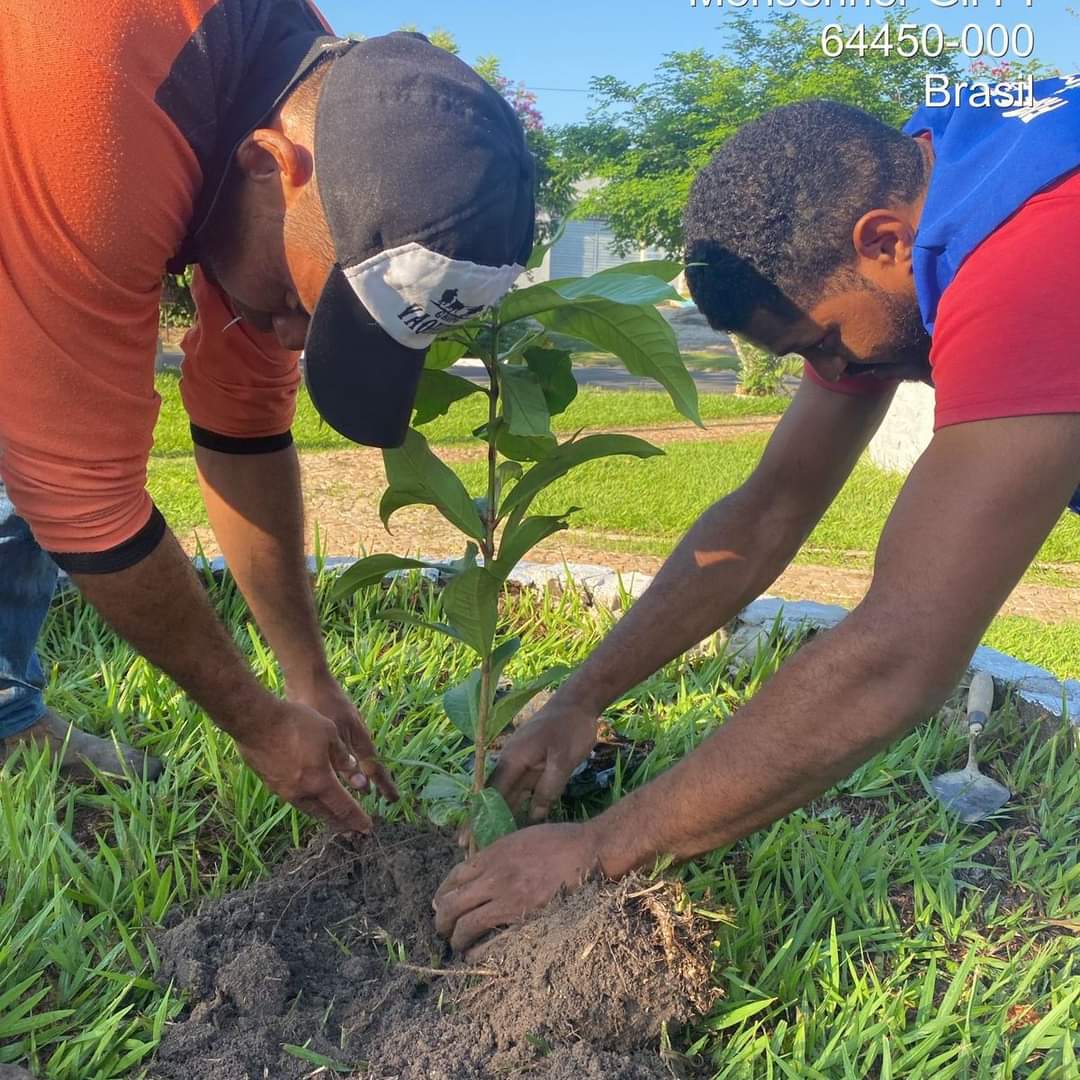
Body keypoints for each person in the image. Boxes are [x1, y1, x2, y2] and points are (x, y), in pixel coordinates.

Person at [434, 78, 1080, 951]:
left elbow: (900, 651)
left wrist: (597, 849)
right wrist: (579, 698)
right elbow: (770, 508)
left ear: (883, 241)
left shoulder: (1037, 246)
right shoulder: (928, 180)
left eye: (818, 343)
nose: (833, 370)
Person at [0, 3, 535, 831]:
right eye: (296, 302)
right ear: (267, 164)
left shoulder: (305, 109)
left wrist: (306, 676)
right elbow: (78, 493)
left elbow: (242, 423)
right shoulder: (102, 101)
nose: (288, 337)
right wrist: (253, 721)